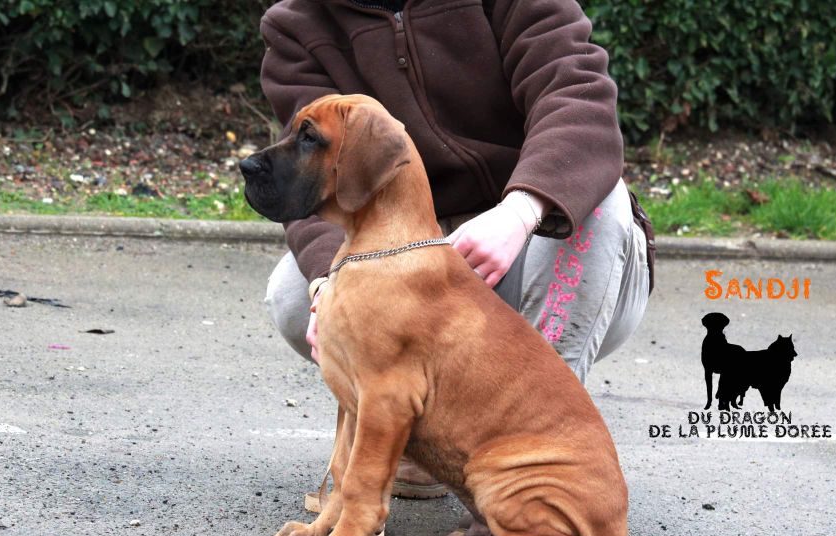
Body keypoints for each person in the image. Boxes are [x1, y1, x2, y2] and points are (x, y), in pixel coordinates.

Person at [260, 0, 654, 498]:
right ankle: (424, 434)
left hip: (539, 245)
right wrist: (326, 284)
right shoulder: (296, 23)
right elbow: (306, 181)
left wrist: (520, 211)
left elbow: (580, 99)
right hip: (417, 261)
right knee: (295, 295)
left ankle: (538, 449)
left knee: (602, 204)